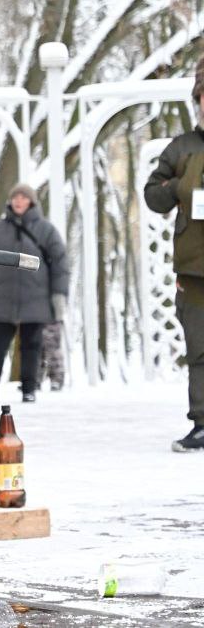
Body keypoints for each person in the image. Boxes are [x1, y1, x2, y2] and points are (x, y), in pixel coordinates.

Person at [144, 64, 204, 452]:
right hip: (195, 270)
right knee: (200, 348)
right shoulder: (183, 147)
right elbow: (152, 195)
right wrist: (181, 187)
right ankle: (202, 423)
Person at [0, 183, 69, 404]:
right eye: (15, 197)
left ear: (31, 202)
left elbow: (60, 266)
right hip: (2, 299)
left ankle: (29, 388)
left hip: (35, 299)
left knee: (32, 346)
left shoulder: (46, 230)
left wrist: (58, 296)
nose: (19, 201)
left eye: (23, 197)